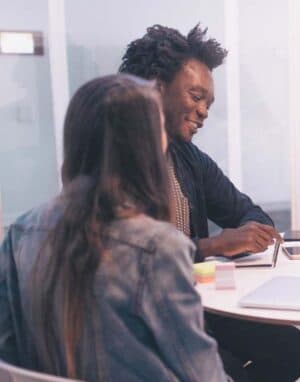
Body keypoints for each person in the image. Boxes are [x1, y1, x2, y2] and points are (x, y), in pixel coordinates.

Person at [0, 74, 230, 381]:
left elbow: (8, 351)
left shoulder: (21, 232)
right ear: (145, 146)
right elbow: (202, 375)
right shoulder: (158, 248)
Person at [119, 24, 300, 381]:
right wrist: (214, 246)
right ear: (156, 88)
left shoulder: (189, 158)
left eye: (208, 102)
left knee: (293, 349)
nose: (204, 111)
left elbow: (249, 213)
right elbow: (128, 258)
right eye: (195, 96)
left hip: (194, 304)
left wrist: (245, 233)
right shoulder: (115, 162)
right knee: (231, 371)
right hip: (143, 318)